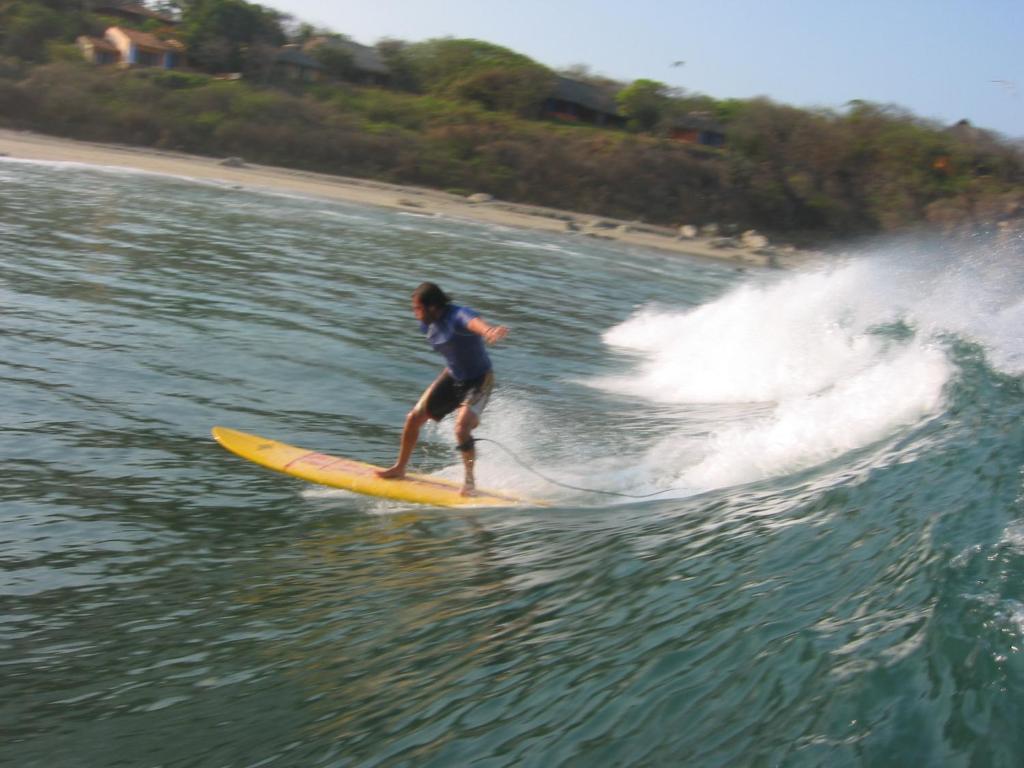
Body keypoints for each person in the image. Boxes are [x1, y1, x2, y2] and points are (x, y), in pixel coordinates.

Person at [376, 282, 508, 495]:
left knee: (461, 429)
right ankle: (400, 468)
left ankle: (470, 481)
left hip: (479, 379)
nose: (414, 313)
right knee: (413, 418)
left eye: (418, 308)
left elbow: (473, 322)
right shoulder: (427, 323)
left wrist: (488, 331)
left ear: (433, 307)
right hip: (453, 375)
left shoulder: (457, 315)